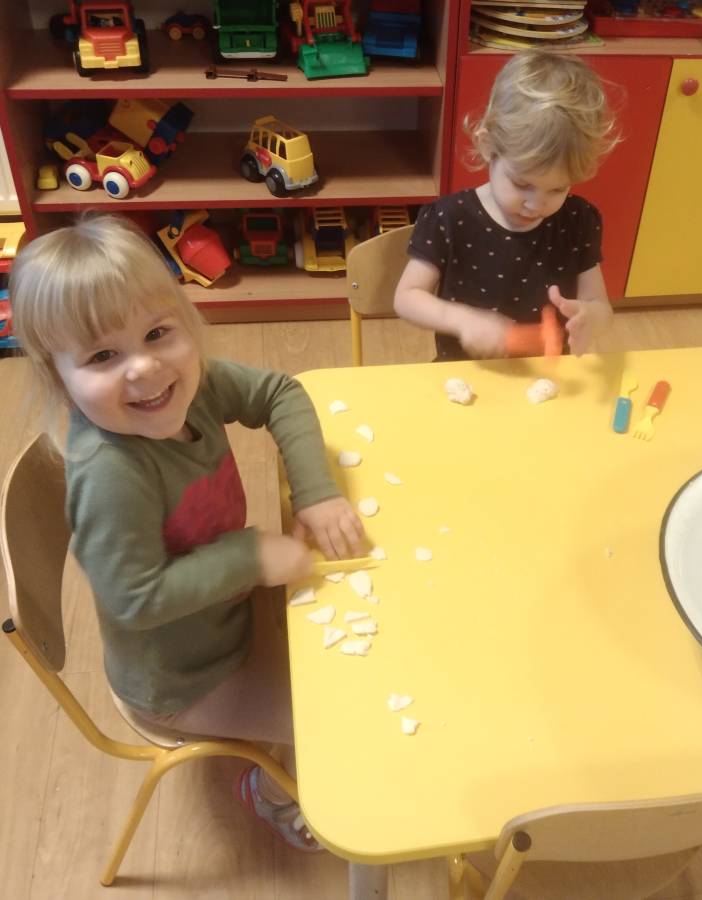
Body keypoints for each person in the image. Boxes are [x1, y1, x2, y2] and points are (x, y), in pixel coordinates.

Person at [9, 214, 365, 851]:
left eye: (157, 332)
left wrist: (315, 492)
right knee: (329, 718)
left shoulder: (188, 384)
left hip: (227, 611)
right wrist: (251, 557)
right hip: (180, 681)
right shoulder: (111, 475)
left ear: (186, 320)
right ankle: (270, 793)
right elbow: (133, 597)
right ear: (57, 376)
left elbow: (280, 393)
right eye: (102, 356)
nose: (145, 369)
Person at [394, 49, 619, 361]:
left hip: (547, 374)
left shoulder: (578, 221)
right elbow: (407, 297)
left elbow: (601, 307)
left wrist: (591, 316)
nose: (536, 204)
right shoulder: (449, 217)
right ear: (488, 145)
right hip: (463, 373)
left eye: (557, 189)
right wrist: (462, 320)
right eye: (522, 184)